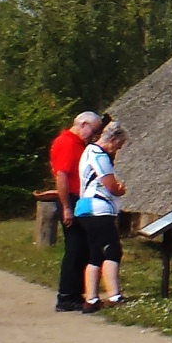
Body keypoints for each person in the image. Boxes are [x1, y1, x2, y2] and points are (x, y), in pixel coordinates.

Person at [48, 111, 103, 312]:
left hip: (77, 198)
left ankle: (75, 292)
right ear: (83, 124)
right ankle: (66, 295)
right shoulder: (68, 143)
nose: (94, 136)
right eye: (94, 130)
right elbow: (61, 176)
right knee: (75, 247)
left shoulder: (78, 144)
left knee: (82, 247)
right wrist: (66, 207)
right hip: (71, 198)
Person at [74, 120, 128, 310]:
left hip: (85, 209)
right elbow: (110, 185)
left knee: (95, 254)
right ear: (111, 139)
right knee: (112, 250)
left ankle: (92, 299)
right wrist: (120, 190)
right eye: (117, 146)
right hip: (98, 209)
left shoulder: (88, 152)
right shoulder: (99, 155)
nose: (116, 150)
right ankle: (114, 296)